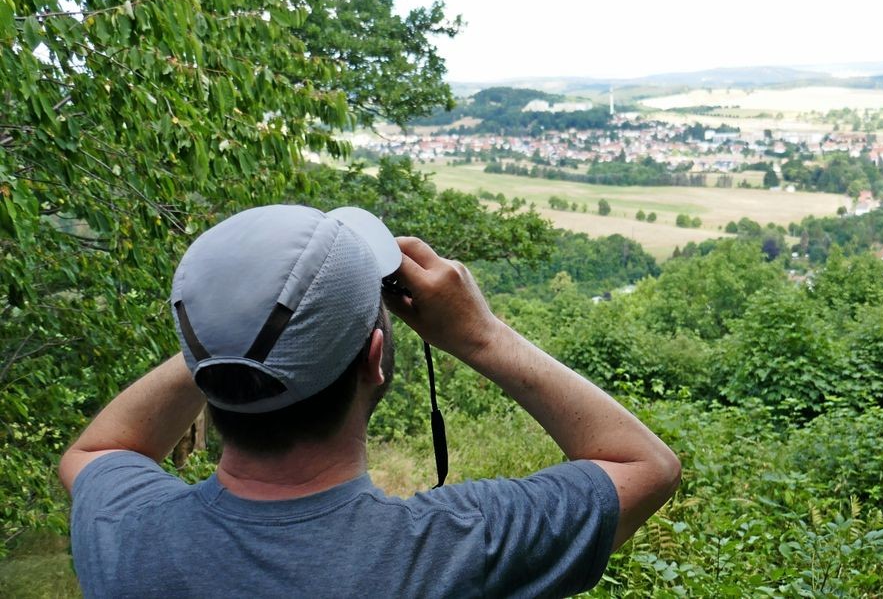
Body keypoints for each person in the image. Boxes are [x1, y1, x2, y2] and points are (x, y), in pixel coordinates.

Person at [58, 204, 681, 597]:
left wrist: (226, 333)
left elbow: (100, 447)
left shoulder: (124, 529)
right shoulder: (453, 551)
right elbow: (645, 467)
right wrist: (479, 335)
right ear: (375, 361)